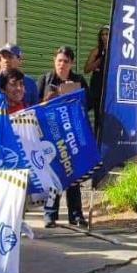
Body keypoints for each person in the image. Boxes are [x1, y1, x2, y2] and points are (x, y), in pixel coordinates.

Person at [37, 46, 89, 228]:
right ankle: (50, 214)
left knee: (73, 176)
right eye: (59, 60)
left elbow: (86, 105)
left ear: (71, 63)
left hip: (71, 134)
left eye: (65, 61)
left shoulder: (78, 80)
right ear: (54, 61)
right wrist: (48, 99)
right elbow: (34, 107)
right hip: (51, 135)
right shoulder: (45, 80)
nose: (61, 64)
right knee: (54, 175)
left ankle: (76, 215)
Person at [0, 44, 38, 113]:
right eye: (3, 57)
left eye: (10, 57)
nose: (6, 60)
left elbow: (36, 109)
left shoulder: (30, 82)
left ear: (19, 60)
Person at [83, 25, 109, 134]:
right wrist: (99, 60)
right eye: (102, 34)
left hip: (109, 87)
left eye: (107, 34)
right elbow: (86, 69)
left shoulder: (117, 51)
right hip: (97, 88)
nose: (104, 37)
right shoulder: (96, 51)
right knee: (98, 116)